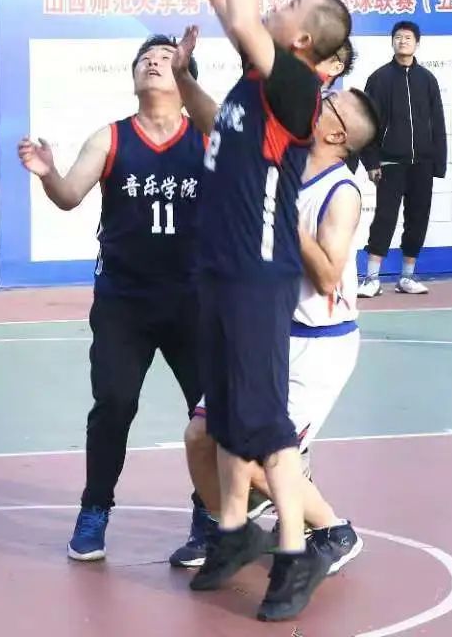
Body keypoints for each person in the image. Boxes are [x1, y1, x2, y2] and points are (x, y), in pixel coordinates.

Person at [185, 0, 369, 623]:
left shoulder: (293, 87)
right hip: (219, 269)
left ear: (301, 42)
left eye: (292, 3)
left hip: (259, 275)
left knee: (262, 424)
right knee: (226, 415)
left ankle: (296, 551)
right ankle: (234, 532)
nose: (276, 1)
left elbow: (239, 10)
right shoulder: (252, 85)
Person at [175, 32, 373, 581]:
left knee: (261, 455)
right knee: (201, 438)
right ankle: (235, 529)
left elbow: (329, 274)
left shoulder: (341, 192)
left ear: (335, 132)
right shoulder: (282, 150)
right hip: (261, 328)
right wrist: (184, 78)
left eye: (329, 101)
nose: (319, 98)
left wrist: (283, 216)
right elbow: (220, 125)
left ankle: (333, 529)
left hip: (314, 345)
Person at [17, 36, 208, 563]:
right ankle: (94, 510)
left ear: (185, 76)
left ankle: (209, 514)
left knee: (211, 414)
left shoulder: (207, 137)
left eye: (166, 59)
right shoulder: (111, 137)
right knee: (114, 404)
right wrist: (48, 173)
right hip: (125, 302)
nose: (153, 63)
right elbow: (68, 195)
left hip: (194, 300)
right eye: (145, 59)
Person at [358, 20, 446, 297]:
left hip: (422, 163)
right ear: (392, 42)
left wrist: (438, 163)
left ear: (417, 43)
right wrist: (371, 161)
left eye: (408, 37)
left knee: (417, 219)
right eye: (398, 37)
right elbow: (367, 122)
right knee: (384, 218)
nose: (403, 41)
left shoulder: (427, 80)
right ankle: (371, 279)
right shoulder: (379, 78)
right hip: (390, 163)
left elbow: (438, 123)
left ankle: (406, 277)